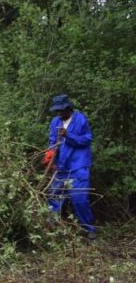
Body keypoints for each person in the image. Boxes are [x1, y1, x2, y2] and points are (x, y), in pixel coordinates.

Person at [42, 94, 96, 238]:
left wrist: (68, 135)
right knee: (54, 197)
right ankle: (50, 230)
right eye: (57, 111)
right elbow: (52, 142)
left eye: (61, 110)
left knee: (80, 200)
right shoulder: (55, 122)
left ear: (68, 108)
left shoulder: (80, 119)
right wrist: (50, 159)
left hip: (78, 166)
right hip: (61, 167)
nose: (59, 113)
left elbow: (86, 140)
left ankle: (89, 230)